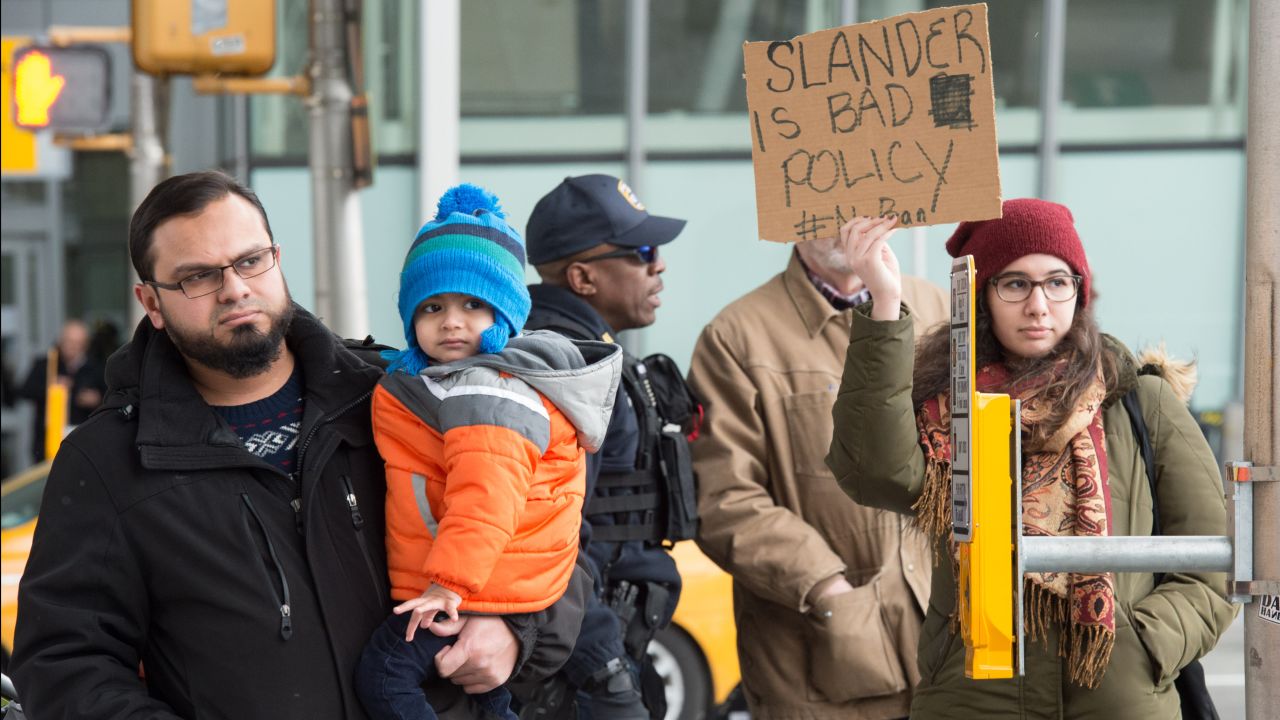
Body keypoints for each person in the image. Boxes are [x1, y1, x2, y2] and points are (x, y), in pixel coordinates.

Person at [11, 170, 589, 719]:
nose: (234, 289)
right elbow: (66, 666)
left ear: (276, 259)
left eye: (250, 260)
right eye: (197, 276)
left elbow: (557, 526)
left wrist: (518, 632)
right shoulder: (107, 460)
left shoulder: (401, 397)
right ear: (152, 303)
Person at [825, 201, 1236, 717]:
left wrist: (1148, 644)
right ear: (981, 296)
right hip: (973, 694)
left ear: (1079, 292)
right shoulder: (945, 405)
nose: (1039, 304)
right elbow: (871, 472)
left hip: (1117, 696)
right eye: (1015, 284)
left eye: (1057, 282)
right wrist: (885, 303)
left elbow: (1212, 558)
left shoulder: (1138, 400)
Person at [354, 184, 622, 720]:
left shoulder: (488, 389)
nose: (452, 321)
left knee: (384, 676)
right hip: (481, 581)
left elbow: (486, 495)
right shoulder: (448, 384)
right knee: (487, 697)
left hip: (469, 585)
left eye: (473, 304)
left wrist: (445, 586)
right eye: (433, 306)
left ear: (506, 313)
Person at [685, 221, 948, 719]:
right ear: (794, 212)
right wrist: (828, 588)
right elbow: (723, 497)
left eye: (863, 203)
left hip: (947, 648)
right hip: (820, 658)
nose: (850, 222)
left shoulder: (937, 309)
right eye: (829, 206)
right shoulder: (737, 336)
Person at [518, 174, 699, 719]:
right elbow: (549, 538)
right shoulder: (563, 371)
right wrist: (605, 671)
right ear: (583, 277)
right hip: (577, 670)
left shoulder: (591, 356)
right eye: (642, 252)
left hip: (597, 653)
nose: (658, 264)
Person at [18, 318, 106, 463]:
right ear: (60, 341)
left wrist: (96, 400)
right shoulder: (46, 364)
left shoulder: (97, 368)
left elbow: (109, 398)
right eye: (69, 342)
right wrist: (50, 388)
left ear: (85, 345)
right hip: (47, 440)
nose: (72, 347)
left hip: (82, 441)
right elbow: (24, 391)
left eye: (78, 343)